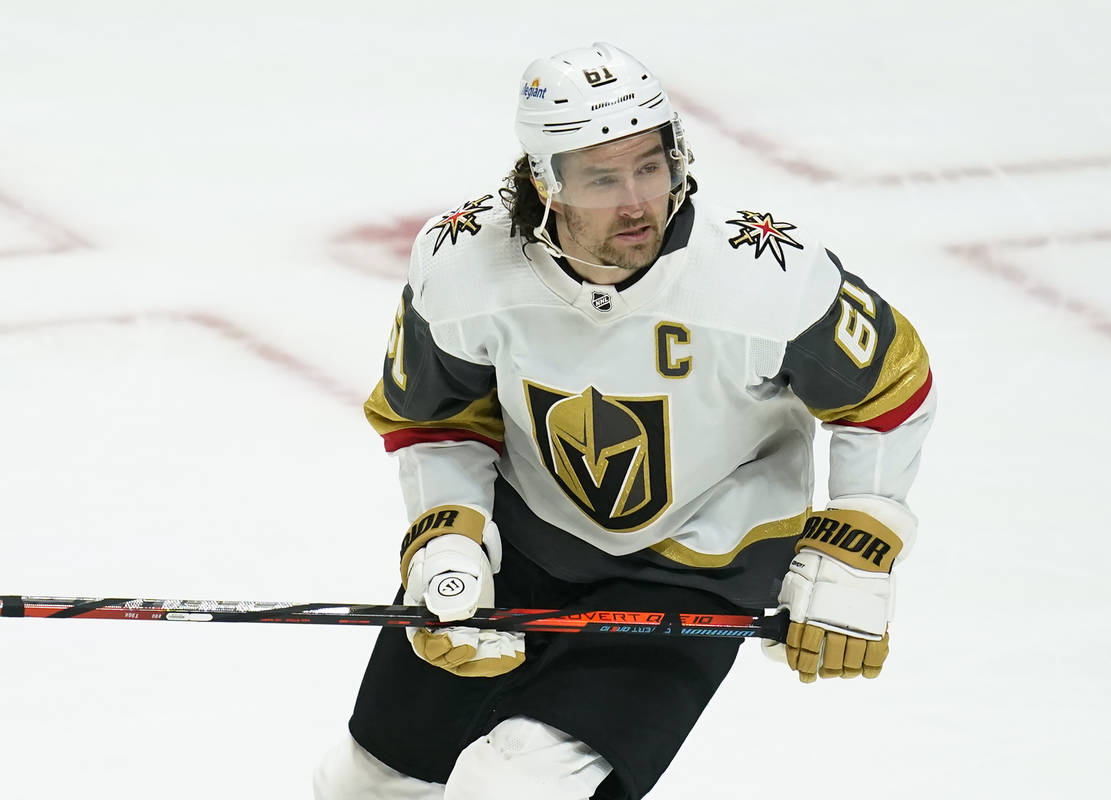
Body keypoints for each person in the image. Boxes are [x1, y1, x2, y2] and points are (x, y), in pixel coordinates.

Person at [314, 42, 935, 800]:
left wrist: (856, 541)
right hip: (526, 541)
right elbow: (434, 418)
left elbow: (890, 394)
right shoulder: (462, 263)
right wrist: (450, 536)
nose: (638, 200)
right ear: (544, 182)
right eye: (602, 179)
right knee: (370, 786)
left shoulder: (766, 273)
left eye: (652, 165)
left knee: (512, 789)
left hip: (699, 566)